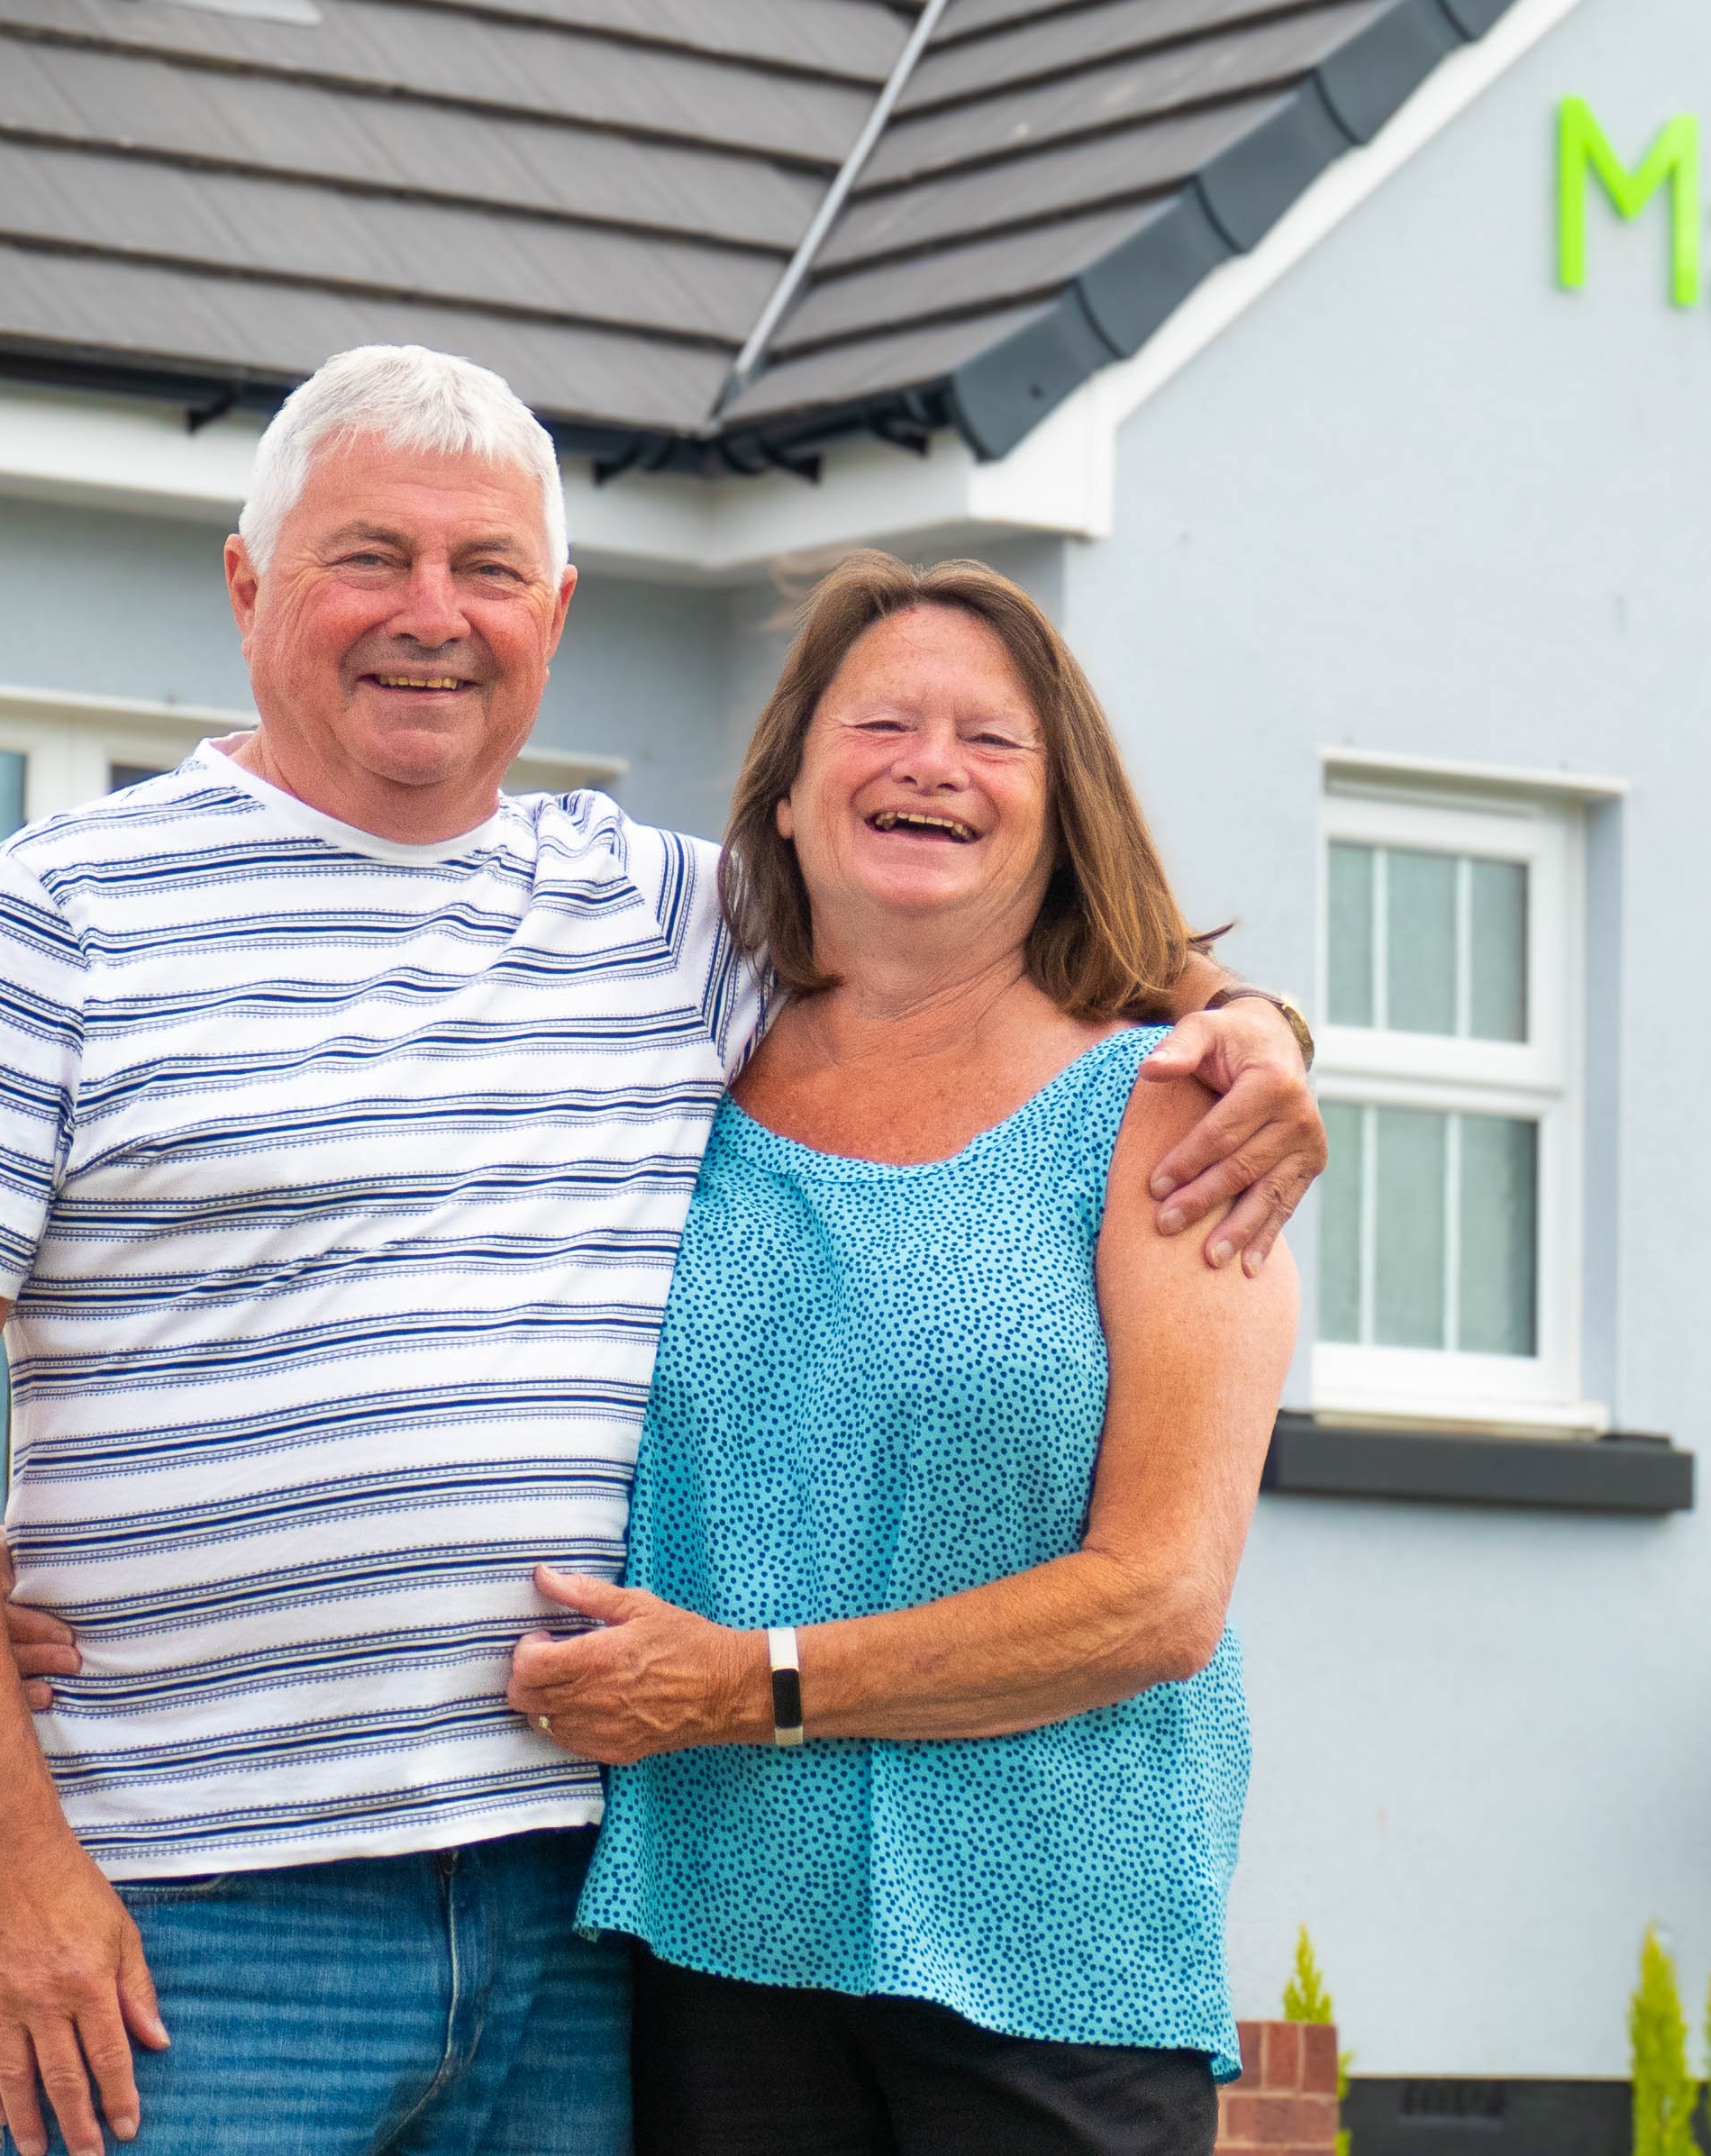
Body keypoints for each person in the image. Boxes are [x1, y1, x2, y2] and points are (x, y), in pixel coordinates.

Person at [0, 345, 1322, 2156]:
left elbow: (980, 931)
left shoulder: (665, 914)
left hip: (581, 1907)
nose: (430, 619)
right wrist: (6, 1856)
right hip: (202, 1916)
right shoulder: (56, 915)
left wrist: (1257, 1024)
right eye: (368, 558)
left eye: (488, 571)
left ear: (558, 610)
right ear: (248, 585)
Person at [505, 553, 1297, 2156]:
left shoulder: (1169, 1112)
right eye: (878, 722)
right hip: (712, 1941)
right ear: (785, 798)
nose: (928, 763)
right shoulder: (671, 1084)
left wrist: (749, 1683)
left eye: (990, 740)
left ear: (1059, 810)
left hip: (1051, 1960)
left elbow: (1156, 1598)